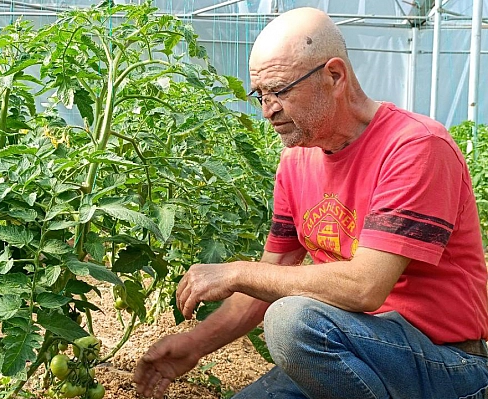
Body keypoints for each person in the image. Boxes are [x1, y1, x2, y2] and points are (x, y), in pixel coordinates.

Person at [133, 7, 488, 399]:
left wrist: (235, 271)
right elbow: (275, 271)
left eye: (280, 90)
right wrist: (194, 345)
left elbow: (364, 287)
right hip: (350, 355)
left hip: (443, 363)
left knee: (291, 320)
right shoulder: (297, 160)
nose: (268, 109)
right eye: (260, 95)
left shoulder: (415, 147)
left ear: (334, 76)